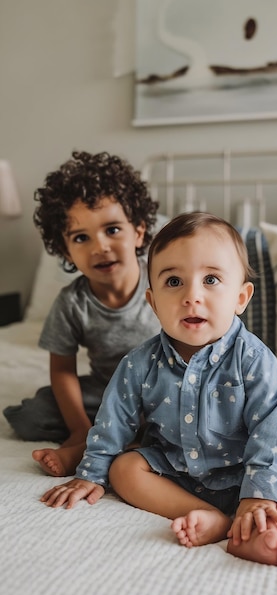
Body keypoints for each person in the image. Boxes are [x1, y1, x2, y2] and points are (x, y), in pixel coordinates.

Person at [40, 212, 277, 567]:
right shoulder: (139, 364)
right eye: (174, 282)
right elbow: (112, 425)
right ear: (153, 302)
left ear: (241, 297)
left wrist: (258, 495)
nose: (192, 296)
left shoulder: (257, 363)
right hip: (174, 475)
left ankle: (268, 527)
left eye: (212, 279)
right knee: (123, 469)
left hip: (244, 470)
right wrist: (90, 474)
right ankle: (211, 519)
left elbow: (271, 433)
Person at [3, 150, 161, 477]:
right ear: (66, 251)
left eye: (113, 229)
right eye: (81, 238)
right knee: (32, 415)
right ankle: (100, 439)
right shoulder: (72, 302)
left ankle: (123, 441)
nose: (99, 246)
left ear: (139, 231)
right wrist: (78, 428)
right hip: (106, 391)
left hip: (166, 391)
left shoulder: (166, 282)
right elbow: (62, 370)